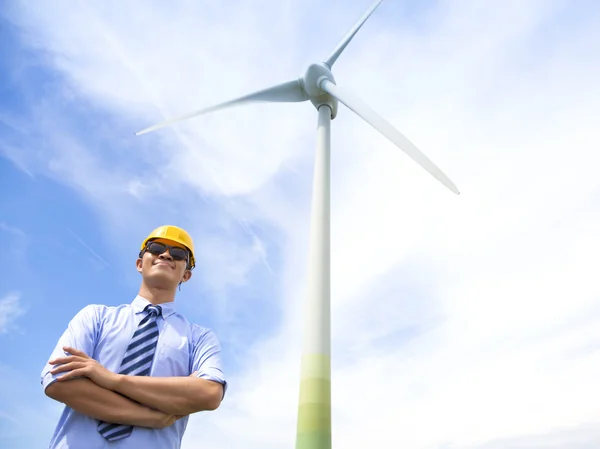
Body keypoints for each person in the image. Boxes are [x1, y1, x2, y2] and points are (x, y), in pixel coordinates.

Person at [40, 225, 227, 449]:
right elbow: (57, 381)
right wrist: (150, 417)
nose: (166, 254)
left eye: (178, 254)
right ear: (140, 264)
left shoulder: (199, 338)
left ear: (185, 275)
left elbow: (209, 394)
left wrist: (111, 379)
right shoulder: (96, 317)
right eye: (156, 248)